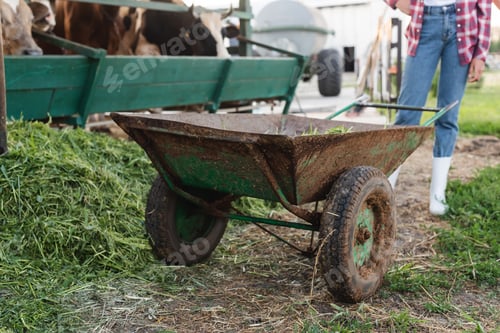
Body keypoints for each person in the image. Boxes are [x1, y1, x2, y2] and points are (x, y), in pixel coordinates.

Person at [384, 0, 492, 215]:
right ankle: (385, 190)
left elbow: (485, 7)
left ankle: (437, 195)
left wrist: (481, 54)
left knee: (448, 116)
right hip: (424, 22)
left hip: (463, 27)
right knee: (407, 114)